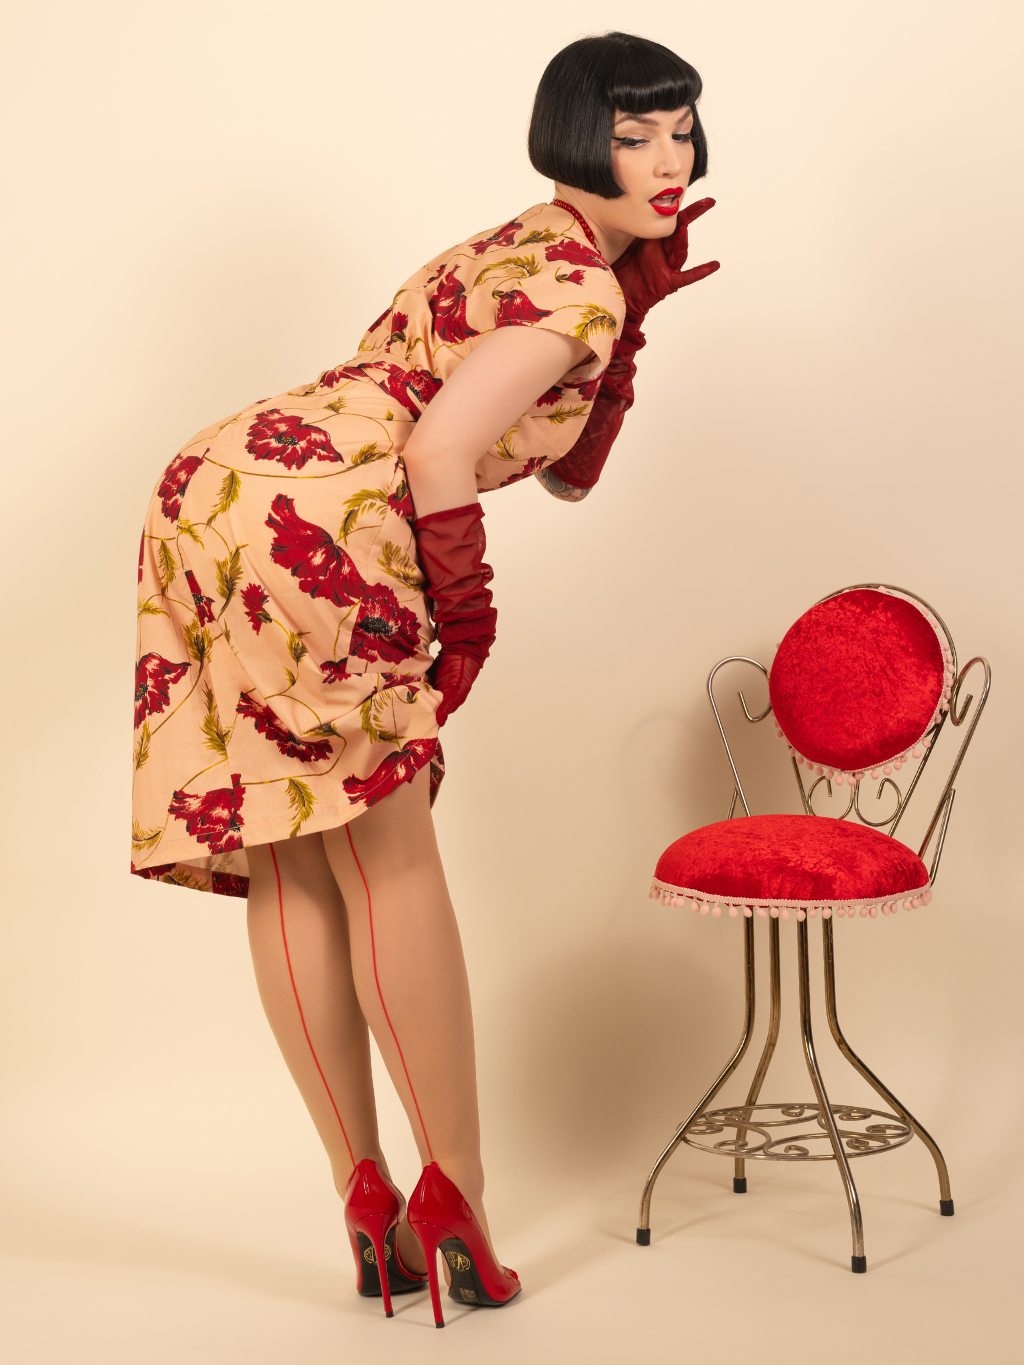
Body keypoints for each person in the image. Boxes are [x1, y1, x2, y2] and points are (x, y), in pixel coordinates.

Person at [131, 30, 719, 1327]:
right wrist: (465, 609)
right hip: (332, 513)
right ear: (575, 136)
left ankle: (365, 1199)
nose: (666, 160)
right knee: (388, 860)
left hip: (216, 484)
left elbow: (560, 468)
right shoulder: (581, 286)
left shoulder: (510, 246)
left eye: (680, 130)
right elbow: (446, 448)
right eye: (632, 135)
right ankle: (460, 1201)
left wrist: (623, 334)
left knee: (293, 858)